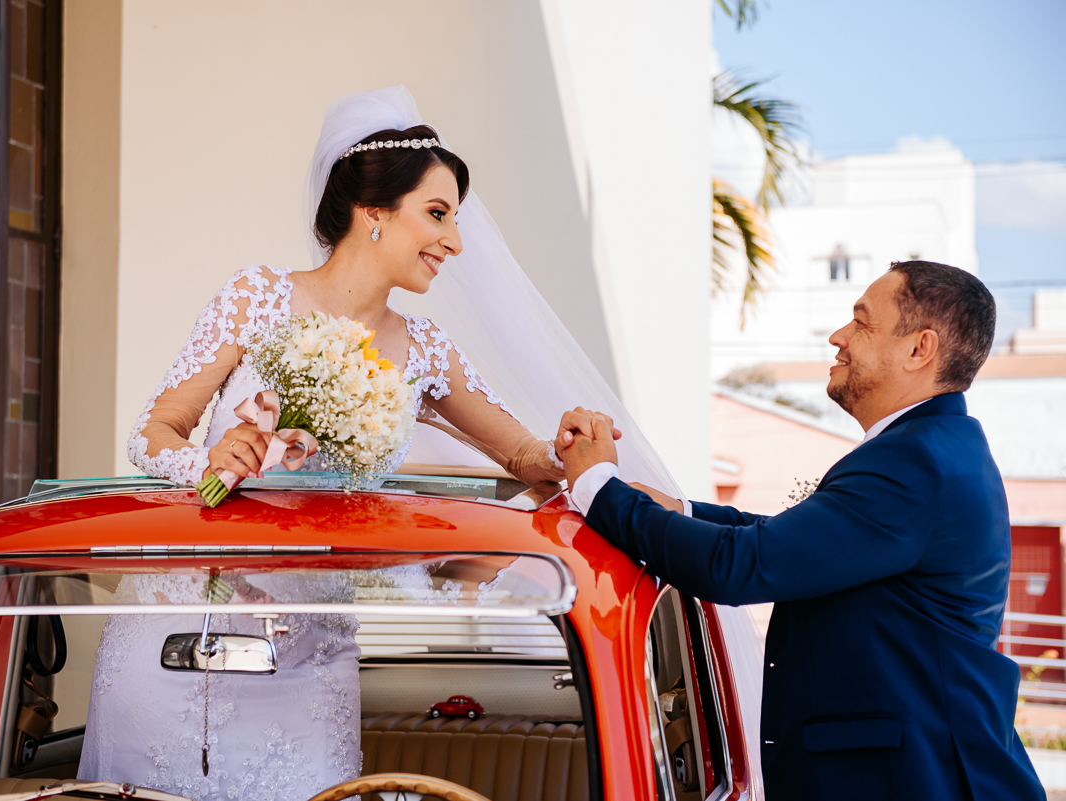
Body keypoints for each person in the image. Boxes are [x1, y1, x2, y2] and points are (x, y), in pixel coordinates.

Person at [78, 86, 686, 801]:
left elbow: (524, 457)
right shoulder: (256, 297)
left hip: (306, 656)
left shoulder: (424, 347)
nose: (455, 241)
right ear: (372, 212)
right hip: (175, 642)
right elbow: (151, 432)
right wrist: (211, 462)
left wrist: (572, 450)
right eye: (437, 214)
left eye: (455, 220)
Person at [557, 261, 1044, 800]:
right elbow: (798, 543)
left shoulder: (914, 461)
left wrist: (597, 487)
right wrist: (680, 510)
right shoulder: (934, 448)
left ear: (919, 349)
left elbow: (740, 566)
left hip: (919, 781)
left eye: (861, 323)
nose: (839, 338)